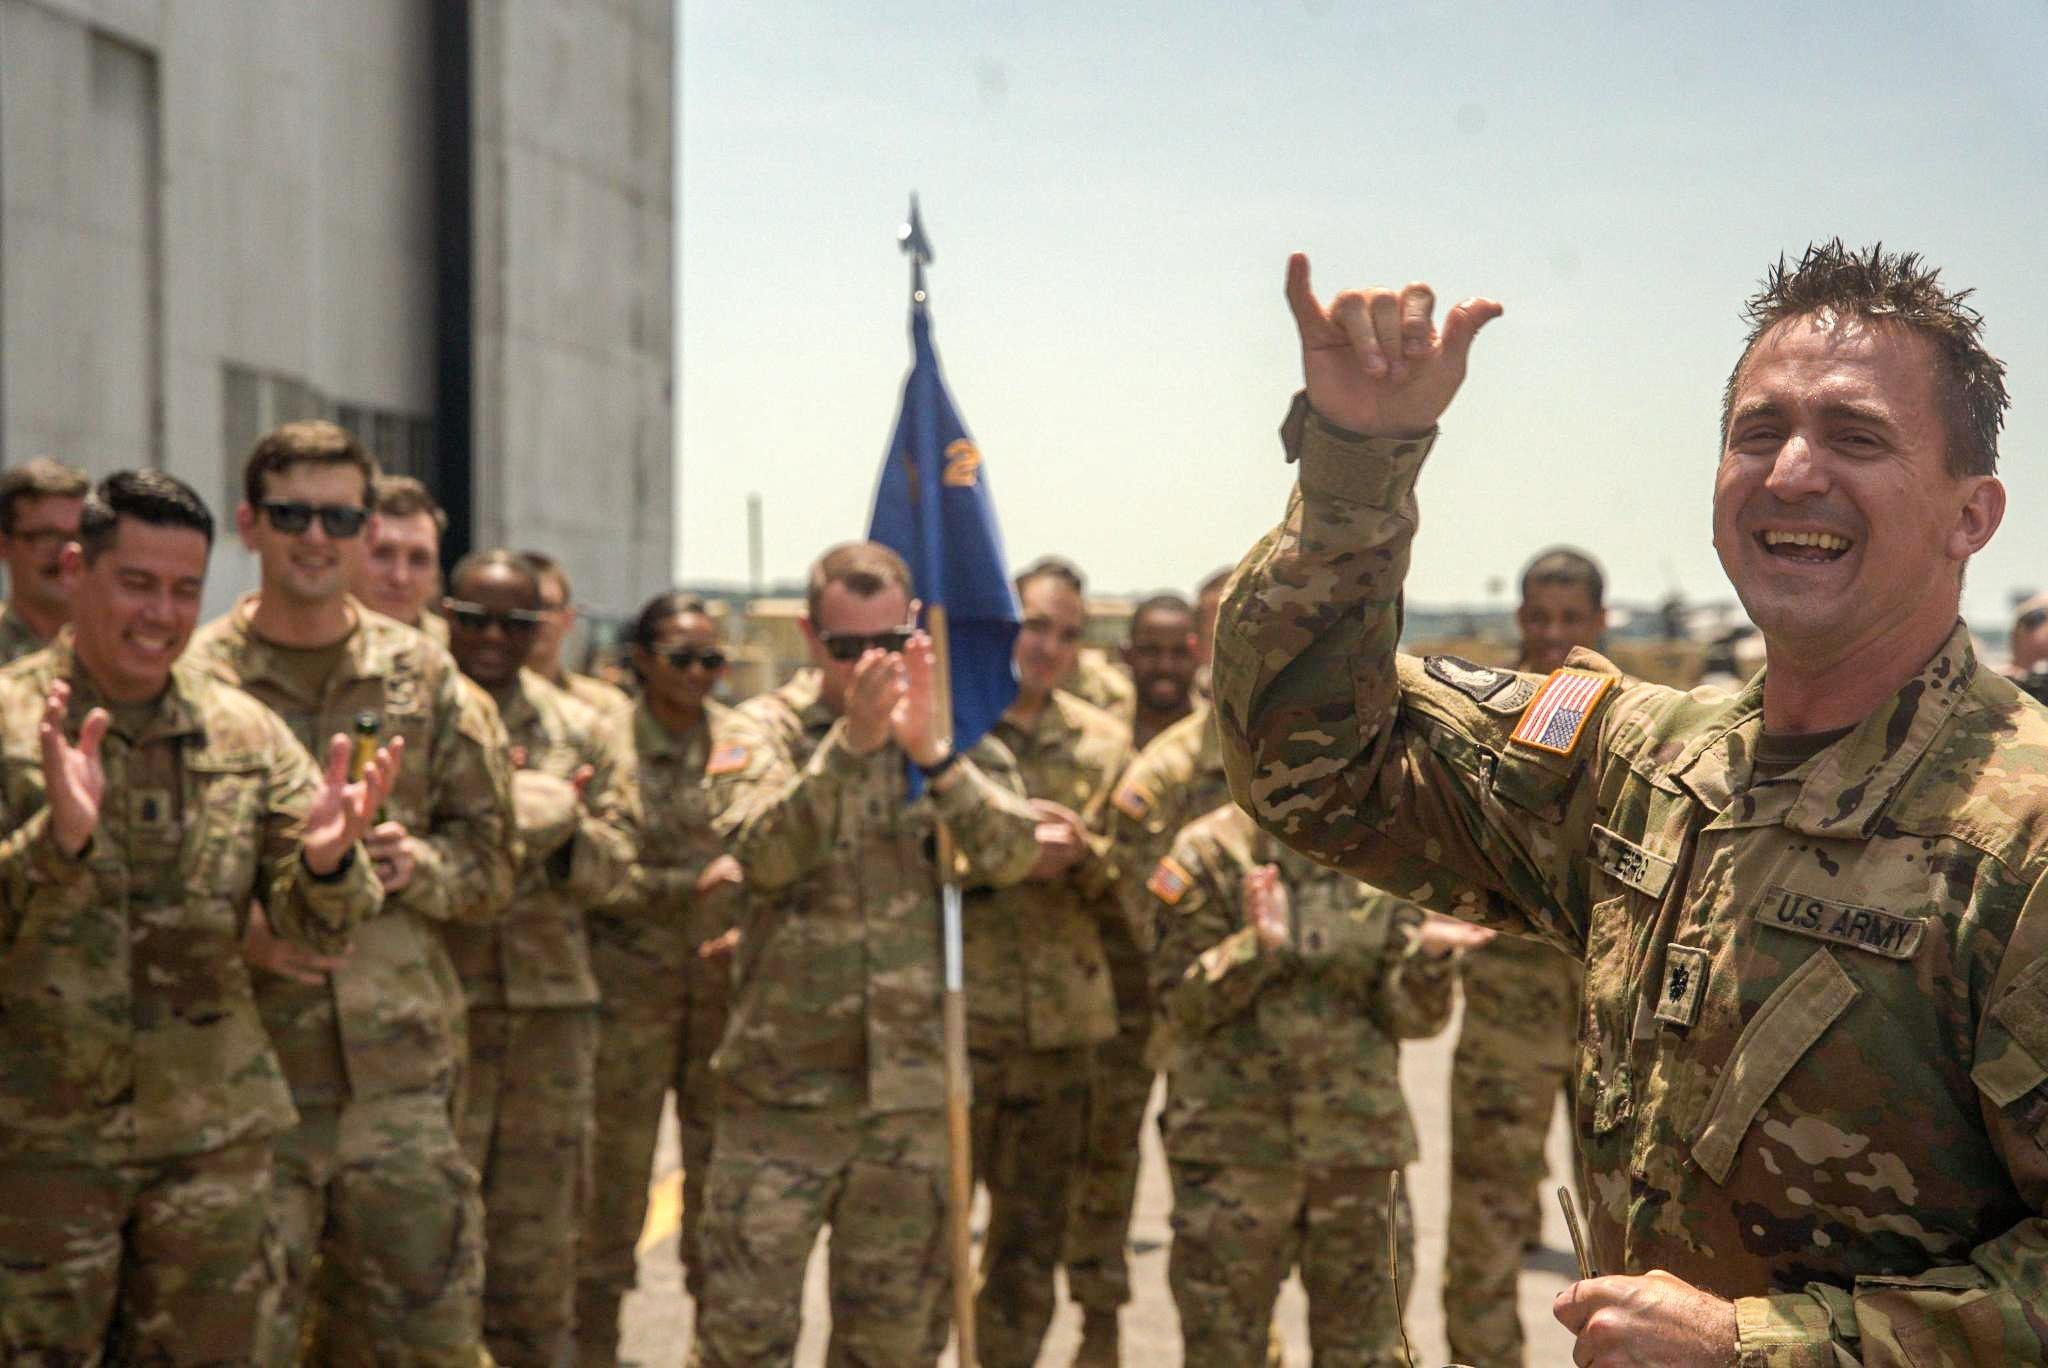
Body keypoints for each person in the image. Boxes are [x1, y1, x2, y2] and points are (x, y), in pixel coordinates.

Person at [1214, 242, 2048, 1363]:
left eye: (1856, 437)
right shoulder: (1644, 766)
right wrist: (1354, 467)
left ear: (1971, 515)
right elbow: (1309, 760)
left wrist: (1759, 1349)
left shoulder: (2021, 839)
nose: (1791, 471)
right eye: (1757, 432)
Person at [0, 470, 394, 1363]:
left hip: (210, 1149)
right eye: (138, 583)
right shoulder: (14, 722)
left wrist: (327, 863)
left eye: (185, 590)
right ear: (77, 570)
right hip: (36, 1153)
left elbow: (322, 928)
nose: (162, 615)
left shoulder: (245, 734)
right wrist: (54, 843)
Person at [184, 418, 516, 1365]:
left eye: (339, 517)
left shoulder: (426, 677)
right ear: (251, 524)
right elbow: (137, 876)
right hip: (245, 1086)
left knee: (421, 1342)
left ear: (367, 528)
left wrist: (426, 870)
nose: (316, 538)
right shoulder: (193, 681)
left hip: (398, 1090)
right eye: (292, 514)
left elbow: (494, 862)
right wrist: (242, 931)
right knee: (243, 1342)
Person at [685, 540, 1040, 1367]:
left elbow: (1013, 853)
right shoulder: (763, 731)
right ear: (812, 638)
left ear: (914, 631)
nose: (870, 665)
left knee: (893, 1345)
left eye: (888, 643)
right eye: (847, 648)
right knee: (743, 1337)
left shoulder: (948, 728)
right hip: (782, 1098)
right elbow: (761, 851)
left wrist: (935, 762)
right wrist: (850, 748)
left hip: (909, 1103)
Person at [1148, 803, 1490, 1366]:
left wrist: (1430, 958)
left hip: (1358, 1152)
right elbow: (1175, 1004)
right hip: (1234, 1156)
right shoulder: (1209, 853)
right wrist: (1257, 946)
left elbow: (1413, 1018)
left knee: (1368, 1353)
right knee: (1223, 1350)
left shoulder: (1382, 850)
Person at [929, 557, 1131, 1365]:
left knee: (1028, 1250)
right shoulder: (949, 730)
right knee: (924, 1245)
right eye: (1036, 626)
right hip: (957, 1027)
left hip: (1059, 1037)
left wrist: (1085, 856)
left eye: (1068, 635)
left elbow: (1137, 883)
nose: (1049, 647)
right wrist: (1003, 856)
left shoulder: (1102, 743)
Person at [440, 549, 637, 1365]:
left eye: (515, 622)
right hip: (436, 1013)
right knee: (423, 1256)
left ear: (543, 627)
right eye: (475, 619)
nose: (493, 637)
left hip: (545, 1026)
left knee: (536, 1256)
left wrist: (564, 835)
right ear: (447, 616)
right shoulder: (411, 713)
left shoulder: (581, 728)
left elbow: (621, 869)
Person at [576, 592, 749, 1365]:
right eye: (682, 658)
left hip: (722, 1003)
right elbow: (587, 868)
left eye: (713, 660)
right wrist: (691, 885)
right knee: (609, 1192)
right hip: (626, 1001)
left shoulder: (741, 742)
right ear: (643, 659)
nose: (699, 674)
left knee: (723, 1195)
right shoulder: (601, 740)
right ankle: (593, 1349)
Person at [1442, 545, 1601, 1366]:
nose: (1552, 635)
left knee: (1627, 1238)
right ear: (1519, 619)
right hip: (1507, 1011)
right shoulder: (1485, 718)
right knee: (1486, 1221)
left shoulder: (1638, 723)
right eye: (1539, 618)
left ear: (1600, 622)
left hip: (1610, 1016)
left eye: (1571, 619)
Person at [1064, 591, 1212, 1365]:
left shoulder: (1228, 745)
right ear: (1126, 657)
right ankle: (1100, 1327)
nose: (1161, 665)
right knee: (1103, 1170)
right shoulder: (1101, 751)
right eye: (1145, 651)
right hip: (1117, 996)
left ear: (1196, 653)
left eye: (1174, 650)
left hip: (1205, 1002)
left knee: (1213, 1178)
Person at [0, 457, 90, 664]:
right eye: (48, 537)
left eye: (80, 535)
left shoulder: (121, 647)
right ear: (4, 545)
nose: (67, 551)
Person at [524, 549, 634, 717]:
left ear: (567, 618)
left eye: (547, 606)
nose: (537, 617)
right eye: (525, 607)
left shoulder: (605, 705)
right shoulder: (482, 703)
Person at [356, 474, 450, 643]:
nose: (400, 577)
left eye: (418, 559)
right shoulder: (310, 640)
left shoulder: (461, 647)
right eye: (382, 554)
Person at [1122, 592, 1200, 750]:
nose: (1165, 666)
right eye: (1150, 651)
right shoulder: (1096, 733)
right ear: (1127, 655)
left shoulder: (1225, 737)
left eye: (1180, 652)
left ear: (1199, 655)